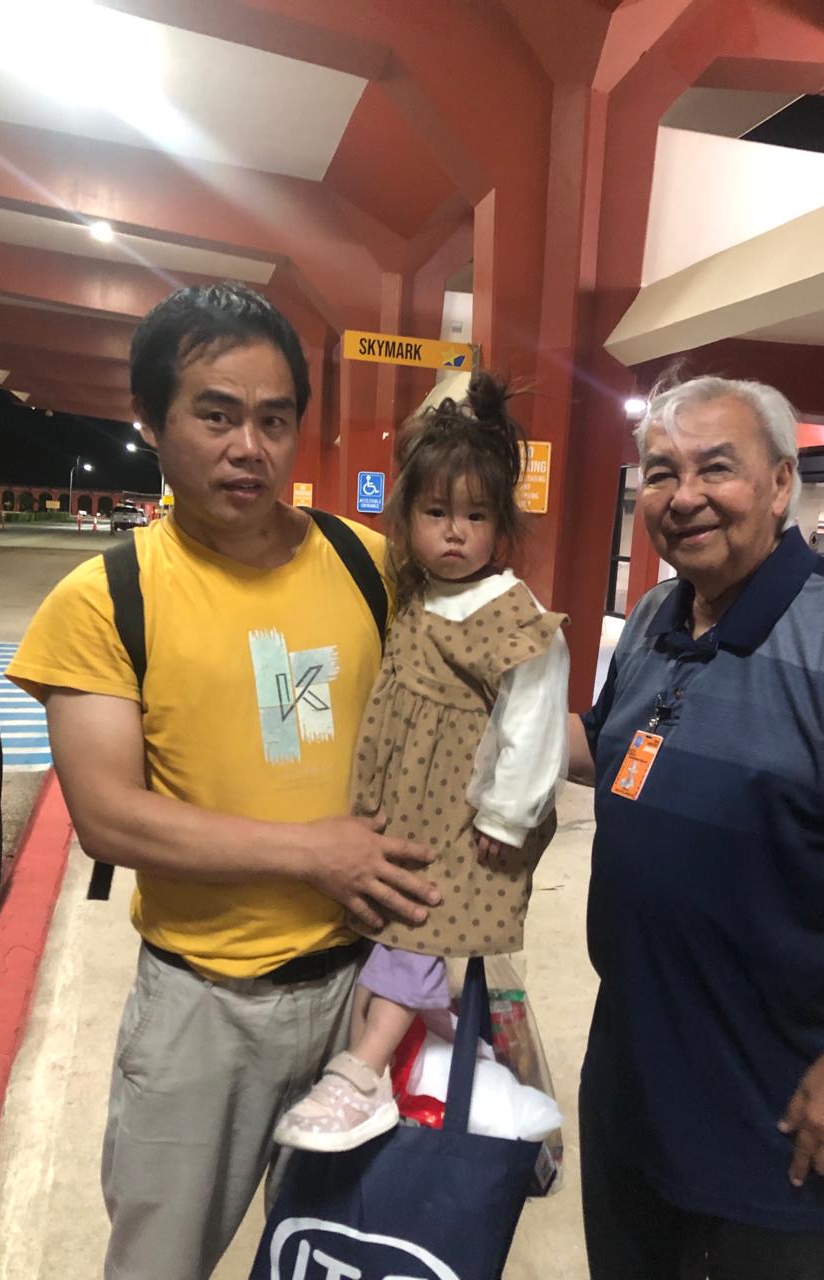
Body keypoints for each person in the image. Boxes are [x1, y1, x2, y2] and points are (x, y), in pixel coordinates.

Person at [5, 282, 442, 1280]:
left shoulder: (366, 561)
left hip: (365, 993)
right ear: (152, 421)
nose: (250, 444)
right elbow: (111, 817)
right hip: (205, 1009)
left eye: (274, 417)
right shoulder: (106, 598)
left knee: (350, 1255)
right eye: (216, 413)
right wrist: (314, 850)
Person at [567, 376, 824, 1280]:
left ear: (780, 483)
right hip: (635, 1098)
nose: (684, 495)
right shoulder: (656, 617)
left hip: (789, 1127)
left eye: (716, 468)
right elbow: (605, 752)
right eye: (660, 472)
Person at [274, 373, 569, 1151]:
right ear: (405, 517)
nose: (455, 533)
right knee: (394, 927)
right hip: (398, 798)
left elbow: (533, 724)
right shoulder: (414, 591)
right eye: (436, 513)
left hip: (462, 815)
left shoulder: (515, 615)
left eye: (476, 516)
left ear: (502, 523)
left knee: (416, 927)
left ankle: (362, 1074)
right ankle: (419, 1054)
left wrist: (508, 814)